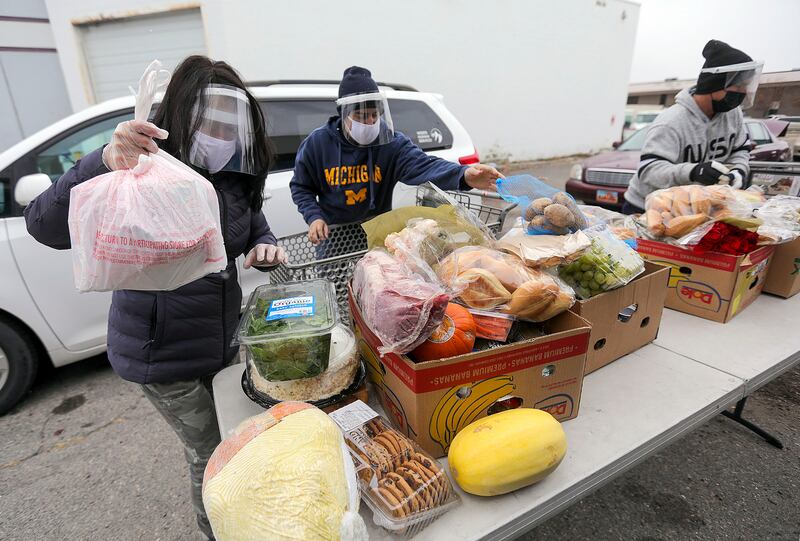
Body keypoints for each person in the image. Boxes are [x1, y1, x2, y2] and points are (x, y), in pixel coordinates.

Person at [24, 55, 286, 540]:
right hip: (160, 353)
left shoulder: (234, 175)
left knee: (237, 441)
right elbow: (43, 225)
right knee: (210, 456)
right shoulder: (140, 170)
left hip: (222, 341)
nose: (221, 137)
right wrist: (103, 160)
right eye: (210, 124)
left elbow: (251, 226)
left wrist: (263, 244)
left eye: (232, 127)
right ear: (181, 117)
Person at [290, 66, 504, 244]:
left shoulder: (390, 142)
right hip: (333, 234)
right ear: (344, 114)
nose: (370, 123)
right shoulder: (317, 144)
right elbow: (301, 186)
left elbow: (424, 166)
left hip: (378, 228)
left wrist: (464, 175)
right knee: (336, 287)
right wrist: (314, 217)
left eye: (374, 116)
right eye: (361, 116)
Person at [623, 40, 763, 214]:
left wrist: (738, 171)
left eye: (746, 86)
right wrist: (693, 172)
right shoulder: (671, 121)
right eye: (738, 85)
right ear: (715, 83)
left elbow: (740, 150)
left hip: (697, 207)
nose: (743, 92)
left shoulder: (733, 114)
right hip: (649, 207)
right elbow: (649, 170)